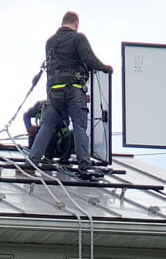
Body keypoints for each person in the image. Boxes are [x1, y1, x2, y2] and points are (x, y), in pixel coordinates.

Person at [26, 11, 112, 174]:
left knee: (46, 126)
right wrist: (105, 68)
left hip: (53, 92)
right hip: (73, 90)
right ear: (76, 24)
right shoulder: (78, 38)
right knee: (79, 126)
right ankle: (84, 166)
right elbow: (89, 59)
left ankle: (31, 163)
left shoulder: (50, 42)